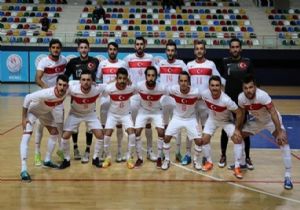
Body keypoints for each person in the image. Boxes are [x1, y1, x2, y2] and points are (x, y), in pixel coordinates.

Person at [238, 75, 293, 189]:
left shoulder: (262, 96)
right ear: (243, 89)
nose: (249, 90)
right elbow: (242, 114)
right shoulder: (241, 98)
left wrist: (279, 132)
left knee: (283, 140)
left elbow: (273, 112)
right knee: (239, 136)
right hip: (258, 121)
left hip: (271, 121)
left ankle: (288, 176)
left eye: (251, 87)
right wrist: (238, 128)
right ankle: (242, 163)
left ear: (255, 87)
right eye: (246, 88)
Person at [20, 75, 69, 182]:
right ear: (56, 85)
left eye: (64, 85)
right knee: (27, 135)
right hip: (33, 111)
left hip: (45, 112)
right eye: (60, 85)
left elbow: (78, 83)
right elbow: (27, 98)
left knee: (54, 132)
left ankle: (47, 160)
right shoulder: (47, 93)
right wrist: (24, 118)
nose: (62, 87)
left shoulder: (67, 90)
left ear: (67, 86)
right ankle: (23, 169)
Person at [186, 40, 224, 165]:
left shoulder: (210, 64)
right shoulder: (189, 65)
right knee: (190, 128)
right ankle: (188, 154)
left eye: (201, 48)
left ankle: (206, 156)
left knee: (205, 130)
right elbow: (184, 83)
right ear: (194, 51)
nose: (199, 51)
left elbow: (220, 80)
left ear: (205, 50)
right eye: (197, 48)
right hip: (191, 103)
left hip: (205, 104)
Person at [219, 38, 254, 169]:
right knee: (225, 130)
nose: (235, 49)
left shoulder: (247, 62)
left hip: (242, 103)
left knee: (244, 130)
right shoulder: (224, 62)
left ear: (241, 48)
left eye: (237, 47)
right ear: (230, 49)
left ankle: (248, 157)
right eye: (232, 47)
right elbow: (221, 80)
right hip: (228, 101)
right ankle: (223, 155)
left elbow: (252, 82)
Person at [58, 70, 105, 169]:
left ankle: (95, 158)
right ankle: (66, 159)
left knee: (100, 135)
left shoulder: (97, 88)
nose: (86, 82)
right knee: (65, 136)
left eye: (88, 80)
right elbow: (60, 88)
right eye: (83, 79)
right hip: (75, 113)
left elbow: (110, 86)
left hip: (90, 114)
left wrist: (127, 81)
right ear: (80, 81)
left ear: (92, 81)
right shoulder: (72, 88)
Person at [200, 76, 243, 179]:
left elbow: (239, 112)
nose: (215, 88)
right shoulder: (205, 94)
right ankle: (209, 162)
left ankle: (237, 167)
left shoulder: (226, 100)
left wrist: (237, 129)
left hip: (226, 121)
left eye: (217, 85)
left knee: (237, 139)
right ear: (209, 87)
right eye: (212, 85)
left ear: (221, 87)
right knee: (204, 139)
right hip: (212, 120)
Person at [64, 38, 99, 163]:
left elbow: (96, 78)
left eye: (85, 47)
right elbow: (65, 77)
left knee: (90, 126)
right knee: (75, 126)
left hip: (89, 97)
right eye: (81, 47)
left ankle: (88, 150)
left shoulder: (94, 61)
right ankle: (75, 148)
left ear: (89, 49)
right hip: (76, 97)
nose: (83, 50)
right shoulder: (72, 62)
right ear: (78, 49)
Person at [34, 39, 67, 166]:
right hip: (45, 98)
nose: (55, 49)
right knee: (40, 127)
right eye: (53, 47)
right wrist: (47, 89)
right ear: (49, 49)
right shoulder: (43, 61)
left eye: (58, 47)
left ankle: (60, 150)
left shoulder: (63, 60)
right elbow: (37, 78)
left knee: (59, 126)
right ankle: (37, 154)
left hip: (58, 99)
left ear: (60, 49)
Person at [161, 72, 203, 170]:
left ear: (189, 82)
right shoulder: (174, 89)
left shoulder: (196, 92)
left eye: (185, 81)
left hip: (191, 119)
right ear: (178, 82)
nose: (183, 83)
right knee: (166, 138)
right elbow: (161, 89)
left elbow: (207, 96)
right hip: (177, 118)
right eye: (181, 81)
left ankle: (196, 161)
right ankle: (167, 160)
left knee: (199, 141)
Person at [123, 37, 156, 162]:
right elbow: (123, 74)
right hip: (133, 97)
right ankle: (130, 152)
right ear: (134, 46)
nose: (139, 46)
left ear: (145, 45)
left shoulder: (150, 58)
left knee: (148, 125)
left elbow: (154, 73)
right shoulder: (128, 58)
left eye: (141, 44)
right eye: (137, 44)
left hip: (147, 96)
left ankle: (149, 151)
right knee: (132, 126)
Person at [157, 40, 188, 163]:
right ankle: (163, 153)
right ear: (165, 52)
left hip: (177, 100)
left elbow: (187, 78)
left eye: (172, 50)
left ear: (176, 52)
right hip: (164, 100)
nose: (170, 53)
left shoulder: (181, 64)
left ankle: (178, 152)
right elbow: (151, 75)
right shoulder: (161, 63)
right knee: (164, 127)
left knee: (177, 127)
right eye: (168, 50)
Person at [96, 42, 127, 163]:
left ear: (117, 51)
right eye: (110, 49)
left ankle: (119, 150)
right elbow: (98, 78)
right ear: (107, 51)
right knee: (104, 126)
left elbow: (127, 79)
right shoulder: (102, 64)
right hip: (105, 99)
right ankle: (105, 150)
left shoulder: (122, 64)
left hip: (118, 98)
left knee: (119, 124)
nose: (112, 51)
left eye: (114, 49)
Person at [101, 67, 137, 169]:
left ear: (127, 79)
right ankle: (108, 157)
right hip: (112, 115)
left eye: (124, 79)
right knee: (107, 136)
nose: (122, 81)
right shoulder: (110, 88)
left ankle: (129, 157)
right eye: (120, 78)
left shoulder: (131, 87)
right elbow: (101, 91)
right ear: (116, 78)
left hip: (126, 115)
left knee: (132, 135)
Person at [135, 66, 166, 168]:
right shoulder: (139, 86)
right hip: (143, 111)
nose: (151, 78)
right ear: (145, 76)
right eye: (149, 75)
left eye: (153, 75)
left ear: (156, 77)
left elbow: (173, 92)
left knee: (161, 132)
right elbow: (127, 88)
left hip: (157, 111)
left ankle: (159, 158)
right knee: (137, 132)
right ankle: (139, 158)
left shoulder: (161, 88)